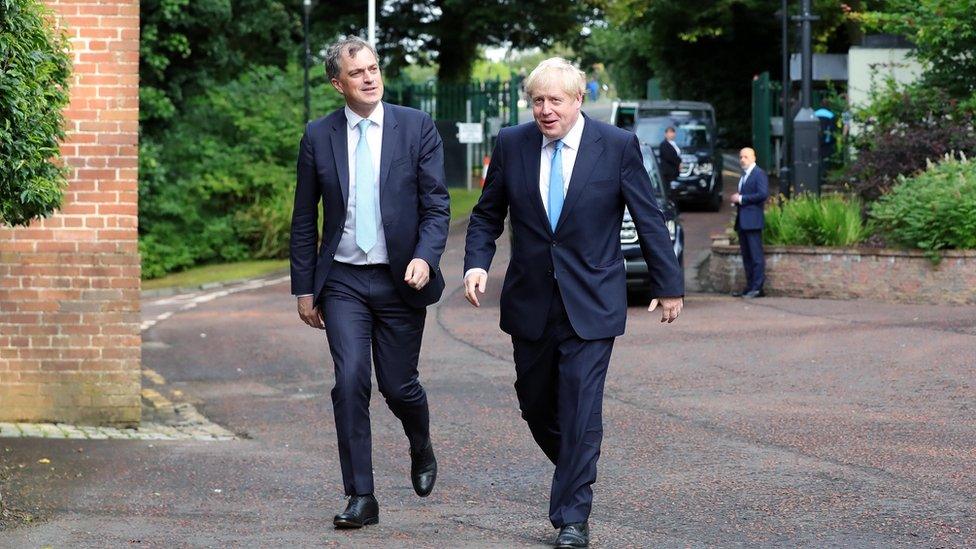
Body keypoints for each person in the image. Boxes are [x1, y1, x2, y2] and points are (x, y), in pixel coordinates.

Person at [463, 57, 684, 548]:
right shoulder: (512, 144)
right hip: (531, 301)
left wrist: (668, 285)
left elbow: (648, 218)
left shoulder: (618, 146)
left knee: (582, 406)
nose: (545, 110)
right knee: (536, 405)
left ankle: (572, 518)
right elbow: (485, 216)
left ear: (578, 100)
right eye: (537, 101)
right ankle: (578, 465)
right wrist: (476, 263)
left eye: (555, 101)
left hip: (593, 301)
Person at [290, 36, 450, 529]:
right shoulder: (319, 136)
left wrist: (425, 257)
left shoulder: (416, 127)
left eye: (374, 68)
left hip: (402, 279)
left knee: (399, 388)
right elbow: (303, 219)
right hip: (342, 281)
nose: (370, 78)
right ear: (337, 83)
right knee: (351, 379)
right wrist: (304, 288)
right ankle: (362, 495)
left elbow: (437, 206)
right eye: (357, 72)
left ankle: (420, 443)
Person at [730, 147, 769, 298]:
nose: (742, 160)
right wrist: (737, 201)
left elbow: (762, 194)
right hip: (743, 221)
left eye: (746, 157)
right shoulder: (744, 175)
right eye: (740, 157)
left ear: (754, 157)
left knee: (756, 256)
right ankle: (750, 285)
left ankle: (758, 287)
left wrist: (741, 199)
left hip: (753, 221)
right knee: (747, 256)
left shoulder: (758, 174)